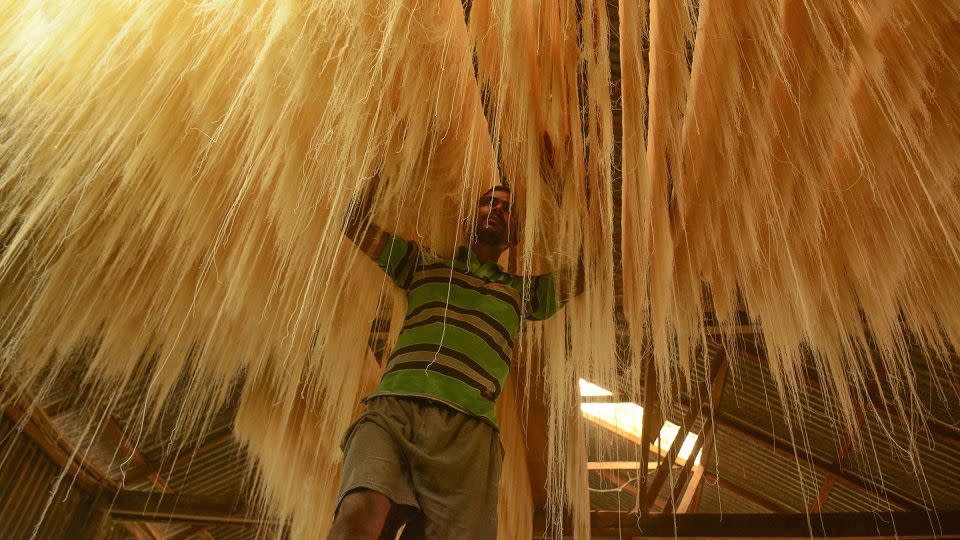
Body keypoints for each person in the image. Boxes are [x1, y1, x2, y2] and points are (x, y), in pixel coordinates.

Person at [329, 183, 581, 539]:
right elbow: (354, 224)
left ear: (516, 235)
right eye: (488, 202)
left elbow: (588, 272)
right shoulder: (422, 263)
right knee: (357, 518)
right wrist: (388, 156)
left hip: (469, 431)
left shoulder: (523, 294)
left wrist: (561, 190)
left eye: (507, 209)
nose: (496, 210)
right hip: (394, 409)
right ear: (469, 217)